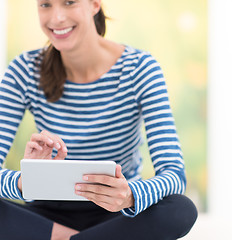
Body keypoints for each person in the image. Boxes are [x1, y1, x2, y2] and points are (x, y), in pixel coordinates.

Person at [0, 0, 198, 239]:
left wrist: (130, 195)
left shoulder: (140, 68)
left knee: (180, 210)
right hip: (49, 214)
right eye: (45, 5)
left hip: (117, 214)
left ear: (95, 4)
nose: (57, 18)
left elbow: (174, 173)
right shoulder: (24, 70)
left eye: (69, 2)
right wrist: (28, 179)